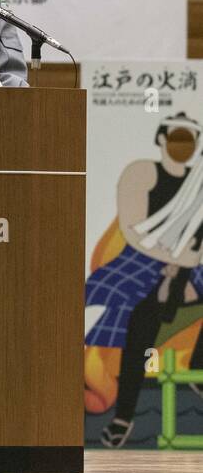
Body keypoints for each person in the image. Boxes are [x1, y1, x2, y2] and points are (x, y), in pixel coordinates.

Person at [85, 113, 203, 447]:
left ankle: (198, 365)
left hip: (187, 265)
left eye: (190, 138)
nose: (183, 145)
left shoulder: (199, 182)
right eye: (177, 137)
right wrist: (173, 262)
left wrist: (184, 265)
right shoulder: (143, 172)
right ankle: (123, 418)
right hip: (143, 263)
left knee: (170, 298)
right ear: (163, 139)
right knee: (139, 327)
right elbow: (133, 228)